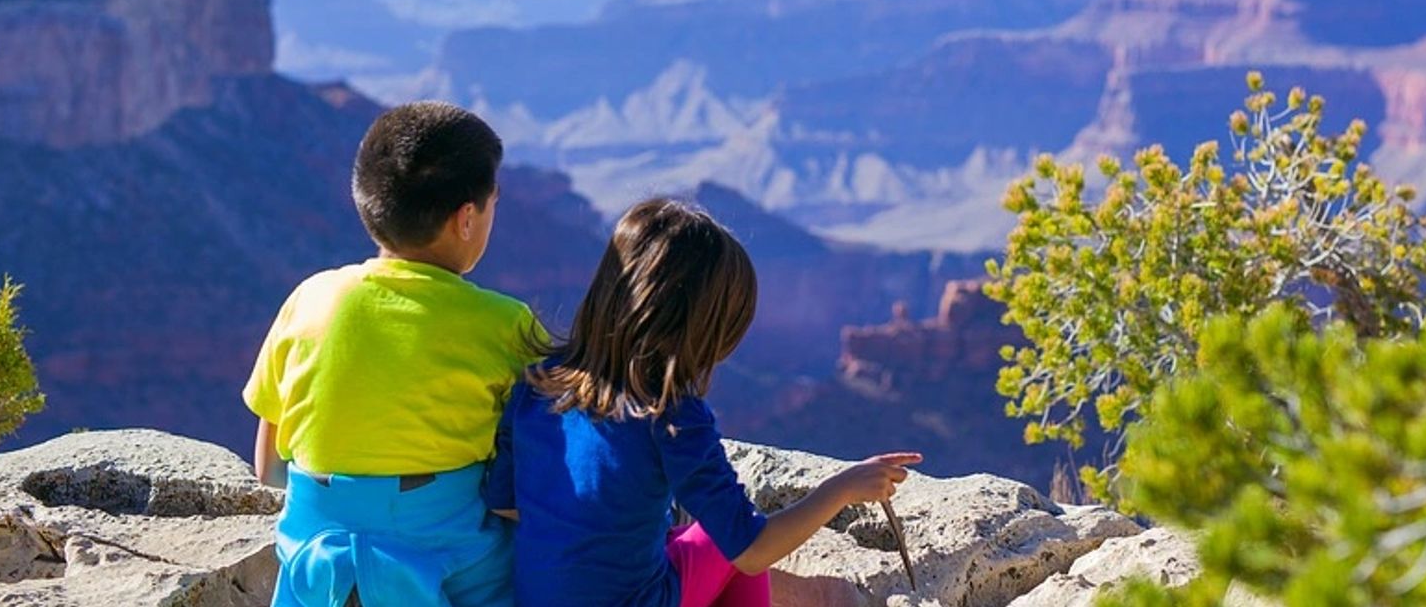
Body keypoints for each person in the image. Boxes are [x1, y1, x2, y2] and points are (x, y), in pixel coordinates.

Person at [483, 197, 920, 607]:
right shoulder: (670, 415)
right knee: (724, 541)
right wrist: (843, 487)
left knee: (686, 537)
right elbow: (750, 549)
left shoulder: (537, 383)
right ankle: (831, 599)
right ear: (700, 326)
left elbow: (505, 504)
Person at [243, 102, 541, 607]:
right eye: (493, 204)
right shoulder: (506, 324)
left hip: (319, 568)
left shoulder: (309, 298)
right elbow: (533, 476)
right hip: (451, 565)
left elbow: (269, 467)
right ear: (466, 218)